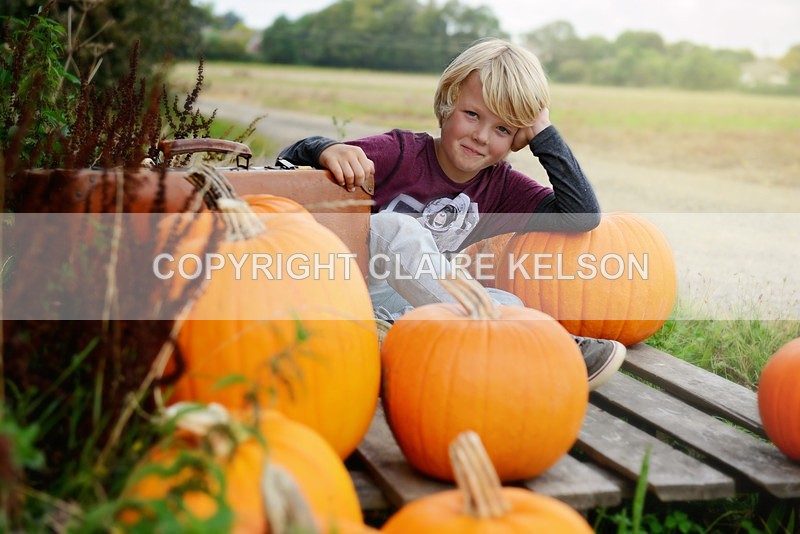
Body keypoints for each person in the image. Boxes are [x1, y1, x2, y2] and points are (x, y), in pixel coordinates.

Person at [277, 38, 625, 390]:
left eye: (503, 129)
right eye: (472, 114)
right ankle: (543, 344)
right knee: (395, 227)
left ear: (518, 137)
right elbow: (287, 162)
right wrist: (324, 149)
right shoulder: (399, 153)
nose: (481, 136)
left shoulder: (501, 188)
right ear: (448, 102)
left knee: (508, 302)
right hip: (344, 288)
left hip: (399, 303)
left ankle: (386, 335)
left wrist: (543, 133)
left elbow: (580, 215)